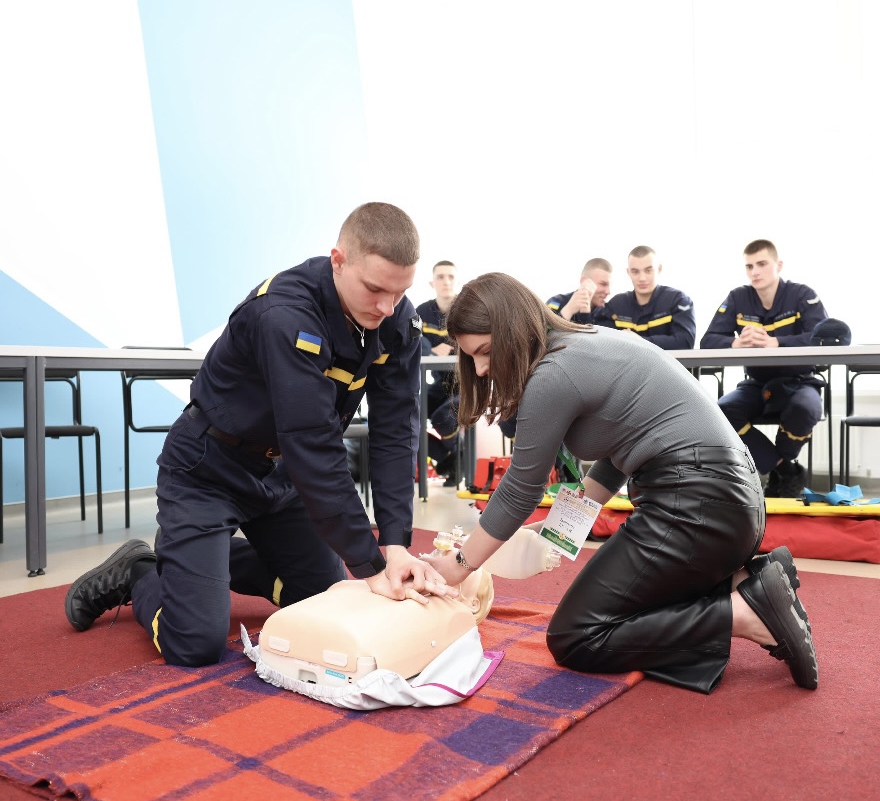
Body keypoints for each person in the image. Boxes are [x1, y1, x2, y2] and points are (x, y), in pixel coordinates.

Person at [64, 202, 456, 666]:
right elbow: (313, 445)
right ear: (338, 260)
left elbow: (394, 434)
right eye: (374, 289)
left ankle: (197, 562)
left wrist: (394, 545)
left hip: (283, 478)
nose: (387, 307)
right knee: (194, 644)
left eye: (400, 292)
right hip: (208, 471)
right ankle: (141, 570)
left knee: (325, 600)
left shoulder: (398, 320)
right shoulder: (284, 314)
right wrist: (371, 565)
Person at [422, 272, 818, 693]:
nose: (481, 369)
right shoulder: (588, 342)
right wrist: (555, 531)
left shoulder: (554, 372)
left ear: (512, 330)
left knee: (578, 636)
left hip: (697, 505)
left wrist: (458, 566)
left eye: (485, 352)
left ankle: (743, 613)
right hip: (731, 502)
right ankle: (749, 583)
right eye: (471, 358)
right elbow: (615, 461)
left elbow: (521, 488)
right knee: (622, 607)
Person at [700, 240, 830, 498]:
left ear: (778, 265)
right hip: (757, 385)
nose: (754, 272)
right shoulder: (737, 297)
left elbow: (823, 337)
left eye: (761, 264)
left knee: (806, 408)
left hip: (799, 381)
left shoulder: (802, 294)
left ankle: (780, 470)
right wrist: (735, 343)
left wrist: (777, 342)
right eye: (749, 266)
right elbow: (707, 341)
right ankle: (785, 470)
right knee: (720, 413)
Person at [416, 260, 461, 486]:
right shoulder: (420, 312)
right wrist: (431, 351)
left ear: (457, 281)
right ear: (432, 283)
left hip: (465, 386)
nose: (446, 281)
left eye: (451, 277)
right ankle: (451, 459)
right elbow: (413, 341)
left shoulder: (468, 309)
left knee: (443, 417)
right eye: (441, 277)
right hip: (438, 385)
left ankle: (456, 461)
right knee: (404, 417)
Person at [604, 246, 696, 349]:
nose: (642, 278)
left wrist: (639, 341)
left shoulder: (678, 301)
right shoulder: (616, 305)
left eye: (648, 270)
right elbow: (603, 343)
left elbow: (685, 342)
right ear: (628, 272)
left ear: (659, 269)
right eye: (635, 272)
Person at [545, 257, 614, 326]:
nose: (608, 292)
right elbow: (544, 330)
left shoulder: (608, 313)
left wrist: (585, 314)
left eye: (609, 285)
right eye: (603, 284)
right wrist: (568, 311)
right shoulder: (557, 302)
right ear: (584, 281)